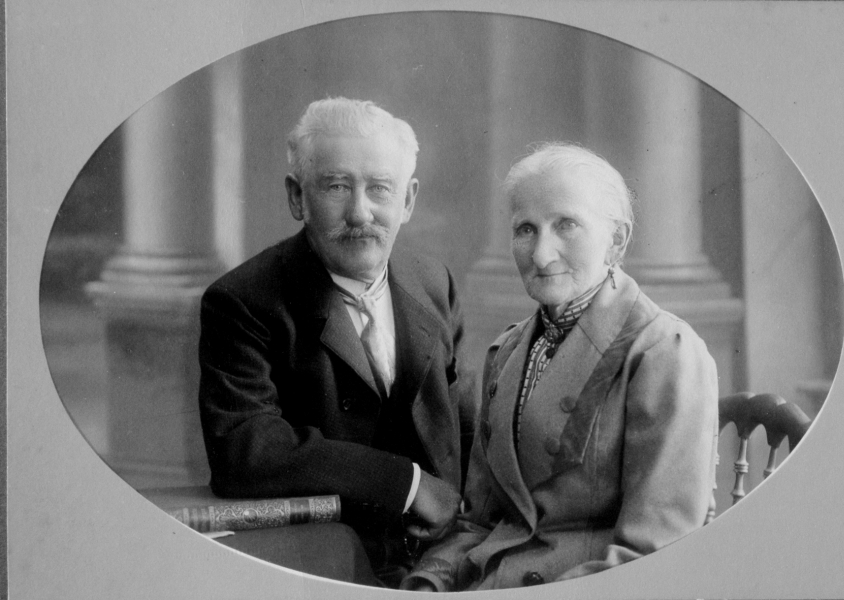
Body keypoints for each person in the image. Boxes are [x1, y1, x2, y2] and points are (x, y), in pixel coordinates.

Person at [402, 143, 719, 591]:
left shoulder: (664, 352)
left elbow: (655, 554)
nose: (541, 254)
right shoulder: (507, 352)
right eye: (525, 229)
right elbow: (478, 522)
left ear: (616, 240)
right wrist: (431, 580)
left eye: (566, 225)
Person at [197, 97, 473, 585]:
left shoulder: (434, 281)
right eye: (337, 186)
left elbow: (462, 423)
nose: (360, 213)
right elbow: (245, 452)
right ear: (297, 197)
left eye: (379, 188)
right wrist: (407, 485)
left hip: (445, 558)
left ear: (408, 200)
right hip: (323, 566)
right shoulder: (242, 300)